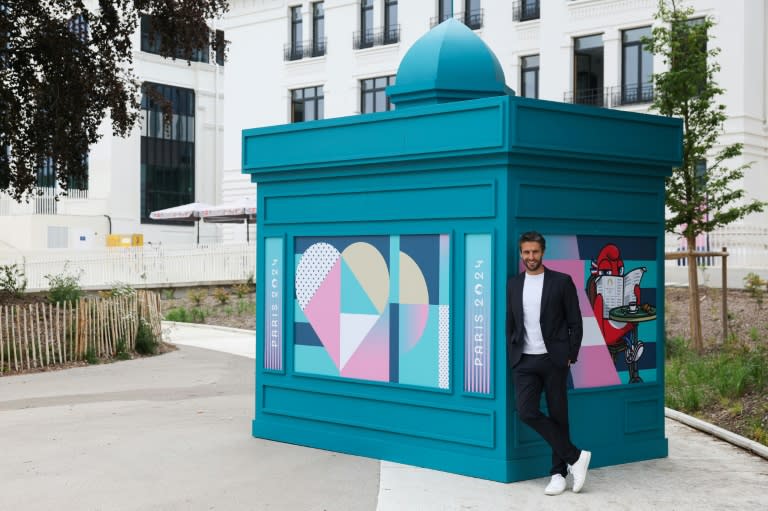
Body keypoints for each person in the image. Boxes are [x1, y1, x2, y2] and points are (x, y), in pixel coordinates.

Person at [506, 231, 591, 495]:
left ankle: (557, 473)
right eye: (526, 252)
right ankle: (576, 457)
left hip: (554, 360)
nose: (530, 257)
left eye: (534, 252)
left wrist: (570, 355)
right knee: (526, 411)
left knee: (558, 414)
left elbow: (576, 323)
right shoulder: (513, 284)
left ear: (543, 252)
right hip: (524, 360)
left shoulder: (561, 282)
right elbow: (511, 321)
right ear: (521, 254)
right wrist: (513, 351)